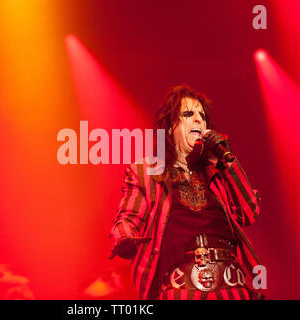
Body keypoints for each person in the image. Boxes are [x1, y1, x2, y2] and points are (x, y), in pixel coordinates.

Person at [109, 84, 263, 300]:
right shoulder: (147, 172)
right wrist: (124, 237)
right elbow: (127, 218)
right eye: (188, 114)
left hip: (233, 290)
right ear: (171, 127)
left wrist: (228, 160)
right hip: (181, 292)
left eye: (202, 115)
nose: (199, 120)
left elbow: (250, 212)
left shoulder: (219, 170)